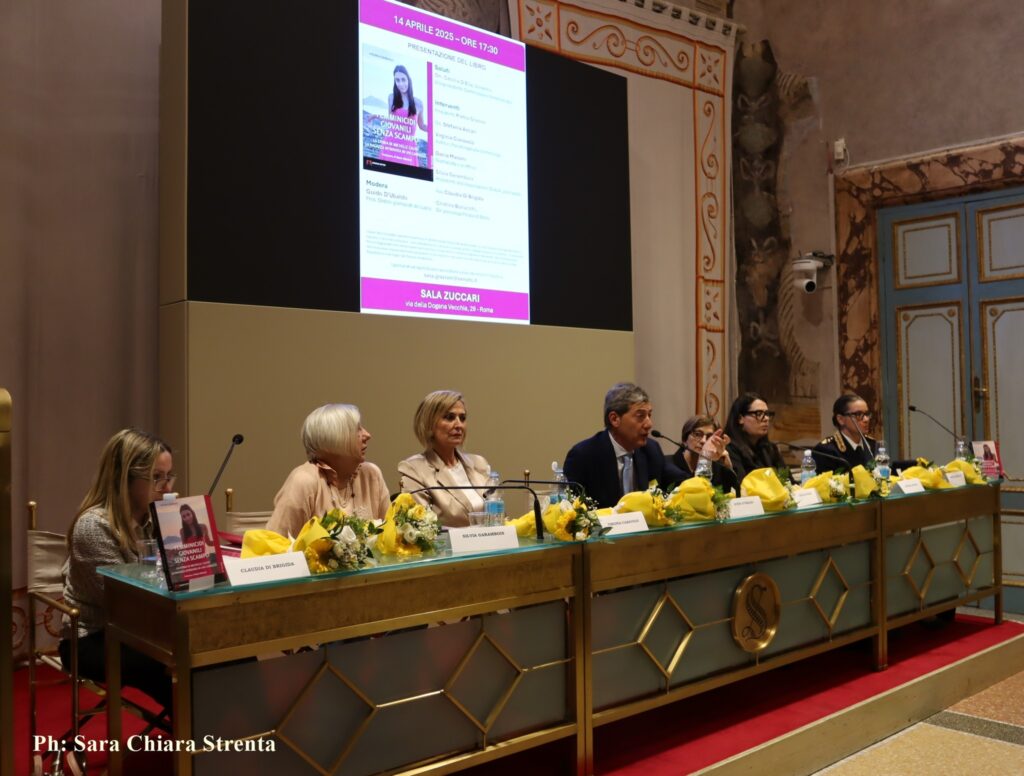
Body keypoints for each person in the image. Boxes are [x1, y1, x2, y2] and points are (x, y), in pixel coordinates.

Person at [61, 428, 174, 708]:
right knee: (180, 665)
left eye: (168, 476)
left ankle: (259, 729)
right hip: (95, 637)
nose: (167, 488)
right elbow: (124, 606)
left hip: (147, 629)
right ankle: (206, 732)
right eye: (156, 478)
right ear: (125, 478)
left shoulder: (153, 518)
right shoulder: (93, 527)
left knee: (226, 652)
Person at [267, 404, 390, 538]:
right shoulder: (303, 481)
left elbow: (390, 537)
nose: (367, 435)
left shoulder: (371, 475)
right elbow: (274, 544)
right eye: (357, 429)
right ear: (333, 439)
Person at [564, 383, 685, 508]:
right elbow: (572, 510)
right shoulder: (583, 456)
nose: (649, 424)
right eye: (640, 416)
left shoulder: (651, 450)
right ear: (614, 419)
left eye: (649, 415)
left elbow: (679, 483)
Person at [398, 390, 491, 527]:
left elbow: (499, 516)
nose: (459, 425)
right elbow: (423, 528)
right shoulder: (414, 469)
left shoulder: (479, 463)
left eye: (462, 418)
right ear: (429, 423)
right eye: (449, 417)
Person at [812, 393, 914, 473]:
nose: (866, 419)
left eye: (867, 414)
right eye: (858, 414)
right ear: (841, 419)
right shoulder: (826, 451)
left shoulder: (872, 445)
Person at [724, 392, 785, 482]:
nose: (766, 419)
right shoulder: (730, 450)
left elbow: (788, 481)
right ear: (740, 418)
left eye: (767, 414)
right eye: (759, 414)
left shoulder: (770, 448)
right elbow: (741, 485)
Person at [671, 415, 739, 493]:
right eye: (697, 434)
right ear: (684, 439)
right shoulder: (668, 466)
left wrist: (728, 468)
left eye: (710, 437)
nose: (703, 441)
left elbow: (735, 497)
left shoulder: (717, 467)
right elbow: (695, 493)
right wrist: (705, 457)